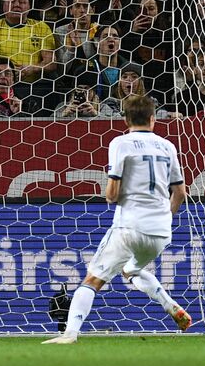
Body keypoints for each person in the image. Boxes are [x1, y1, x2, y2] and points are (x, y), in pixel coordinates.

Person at [43, 93, 193, 344]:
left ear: (125, 119)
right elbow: (180, 192)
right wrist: (164, 218)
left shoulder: (120, 143)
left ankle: (70, 333)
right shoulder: (167, 146)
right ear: (153, 119)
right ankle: (170, 305)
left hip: (129, 227)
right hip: (160, 232)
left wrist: (113, 195)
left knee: (92, 280)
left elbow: (111, 193)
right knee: (131, 269)